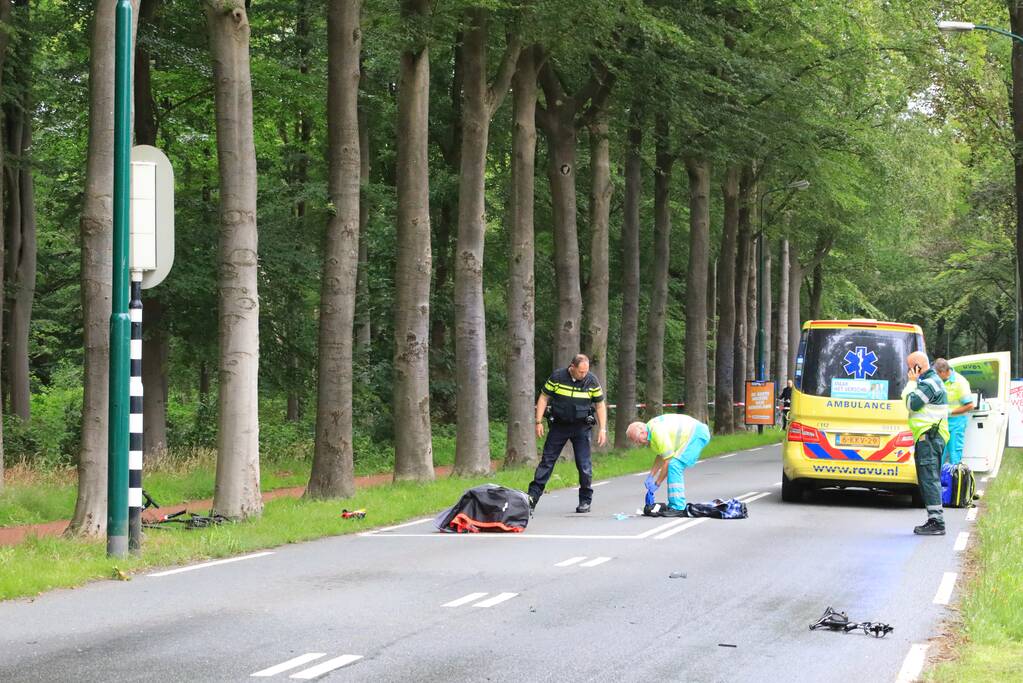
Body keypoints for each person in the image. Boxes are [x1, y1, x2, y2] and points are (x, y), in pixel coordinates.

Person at [528, 354, 607, 513]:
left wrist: (603, 429)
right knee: (547, 462)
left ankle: (585, 500)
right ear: (572, 367)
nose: (583, 375)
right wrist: (538, 422)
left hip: (581, 427)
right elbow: (544, 397)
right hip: (559, 426)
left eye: (586, 372)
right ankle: (532, 498)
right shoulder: (557, 377)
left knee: (584, 465)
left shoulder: (591, 381)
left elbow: (599, 405)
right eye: (581, 372)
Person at [625, 413, 711, 517]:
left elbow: (668, 460)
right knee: (674, 465)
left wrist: (657, 483)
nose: (638, 443)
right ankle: (674, 505)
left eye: (637, 439)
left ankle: (678, 507)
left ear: (642, 430)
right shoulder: (651, 431)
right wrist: (651, 476)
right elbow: (662, 455)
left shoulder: (657, 431)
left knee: (674, 465)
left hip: (697, 434)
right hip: (695, 433)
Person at [902, 351, 949, 536]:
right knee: (929, 478)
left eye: (910, 368)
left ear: (917, 367)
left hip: (929, 437)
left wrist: (911, 383)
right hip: (930, 437)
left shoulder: (928, 384)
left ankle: (937, 522)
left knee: (929, 479)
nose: (908, 372)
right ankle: (934, 519)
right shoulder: (931, 381)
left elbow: (911, 403)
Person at [933, 358, 974, 466]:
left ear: (943, 372)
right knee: (939, 455)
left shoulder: (960, 382)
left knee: (954, 456)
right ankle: (939, 482)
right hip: (942, 423)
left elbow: (970, 405)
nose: (935, 377)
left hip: (956, 423)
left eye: (937, 374)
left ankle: (956, 481)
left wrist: (949, 412)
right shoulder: (939, 381)